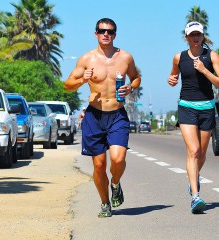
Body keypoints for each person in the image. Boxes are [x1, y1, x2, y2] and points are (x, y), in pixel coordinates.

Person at [64, 18, 141, 218]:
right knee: (99, 165)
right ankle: (105, 203)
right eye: (102, 31)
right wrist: (83, 79)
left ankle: (115, 183)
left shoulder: (125, 57)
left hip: (117, 115)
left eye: (110, 31)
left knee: (118, 158)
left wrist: (130, 87)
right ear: (95, 33)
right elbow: (68, 84)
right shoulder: (86, 59)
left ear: (115, 34)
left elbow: (136, 77)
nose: (106, 34)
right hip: (94, 115)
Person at [168, 21, 219, 214]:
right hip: (186, 106)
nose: (195, 37)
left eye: (198, 34)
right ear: (186, 37)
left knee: (201, 153)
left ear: (202, 36)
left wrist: (204, 70)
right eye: (191, 34)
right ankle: (195, 196)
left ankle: (194, 178)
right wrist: (171, 80)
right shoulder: (179, 57)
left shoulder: (212, 56)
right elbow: (173, 77)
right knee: (192, 151)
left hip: (207, 107)